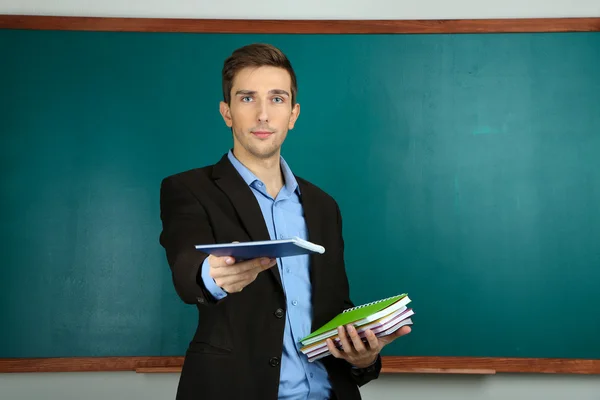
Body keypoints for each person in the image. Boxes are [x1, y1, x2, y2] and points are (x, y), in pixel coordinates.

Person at [159, 43, 411, 400]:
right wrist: (211, 274)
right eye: (247, 98)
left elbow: (335, 310)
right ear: (226, 112)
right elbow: (187, 261)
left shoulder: (324, 206)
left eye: (276, 99)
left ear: (293, 114)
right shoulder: (187, 189)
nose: (263, 114)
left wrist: (363, 357)